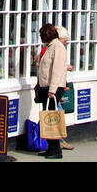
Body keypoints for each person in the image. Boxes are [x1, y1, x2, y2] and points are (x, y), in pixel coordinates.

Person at [35, 22, 68, 159]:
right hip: (46, 88)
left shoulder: (57, 47)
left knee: (52, 120)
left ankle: (56, 150)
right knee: (47, 119)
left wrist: (52, 90)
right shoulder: (50, 47)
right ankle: (51, 148)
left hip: (53, 88)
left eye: (43, 36)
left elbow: (57, 70)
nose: (42, 38)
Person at [55, 25, 74, 151]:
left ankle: (59, 140)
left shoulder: (56, 47)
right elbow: (53, 68)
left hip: (57, 86)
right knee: (57, 114)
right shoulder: (56, 48)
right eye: (65, 40)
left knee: (58, 113)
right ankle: (58, 141)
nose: (66, 43)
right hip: (54, 87)